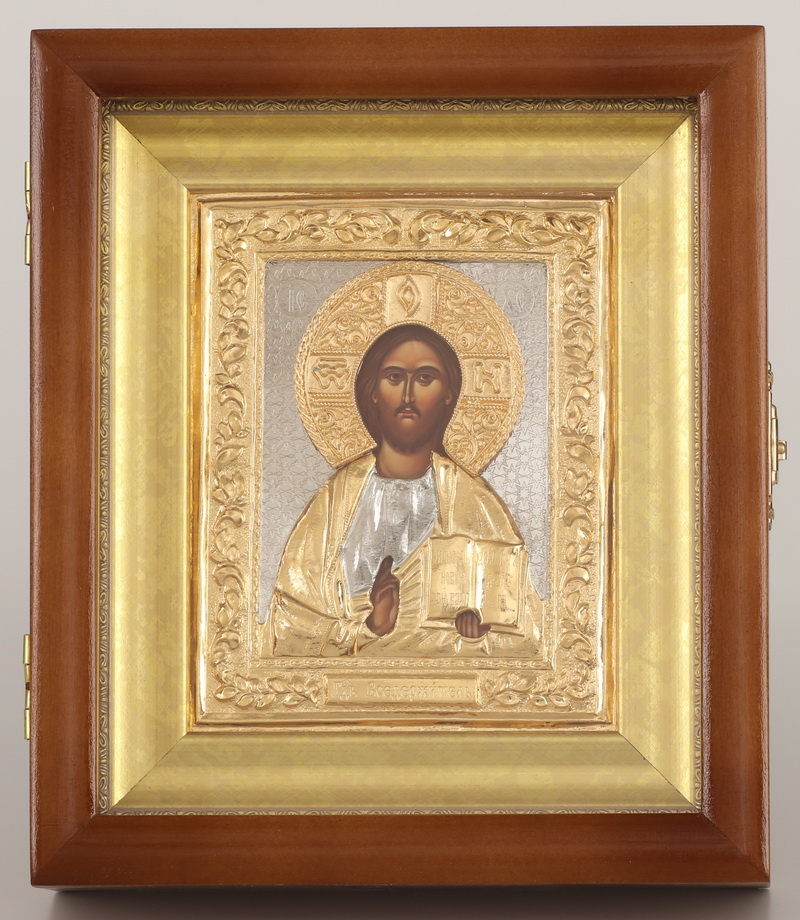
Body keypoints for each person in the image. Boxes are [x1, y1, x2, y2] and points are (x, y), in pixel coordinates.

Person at [268, 324, 542, 657]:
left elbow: (528, 637)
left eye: (425, 378)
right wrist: (370, 629)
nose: (408, 395)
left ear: (449, 393)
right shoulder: (334, 502)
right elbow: (290, 627)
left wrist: (476, 635)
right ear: (372, 390)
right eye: (394, 377)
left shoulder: (476, 504)